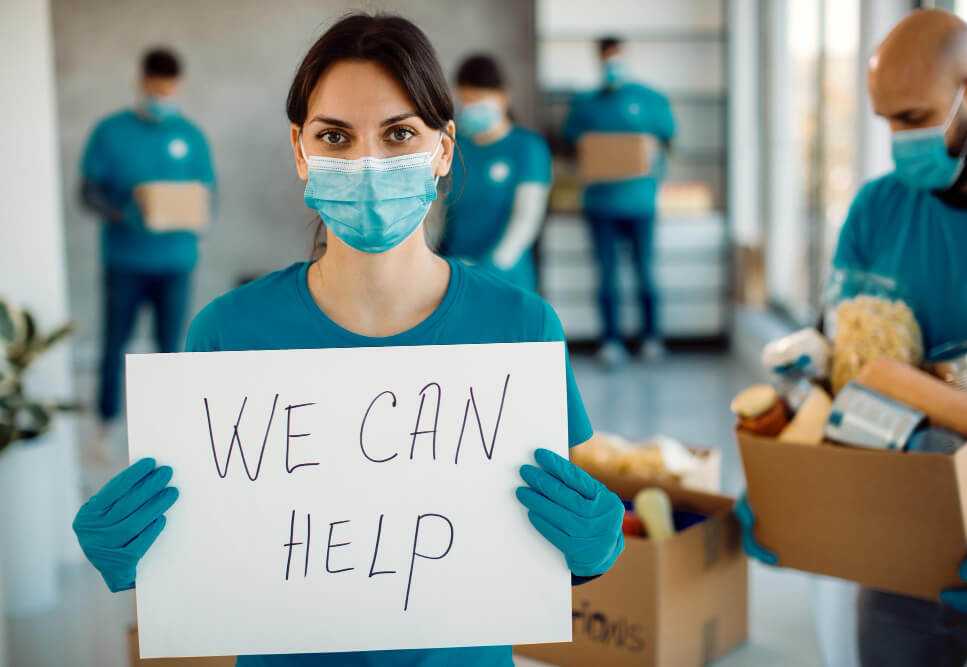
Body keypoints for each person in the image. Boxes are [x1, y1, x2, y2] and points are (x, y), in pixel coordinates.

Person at [72, 14, 624, 667]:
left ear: (444, 149)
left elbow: (550, 539)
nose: (367, 164)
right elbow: (212, 542)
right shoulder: (225, 332)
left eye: (399, 134)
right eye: (335, 136)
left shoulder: (523, 328)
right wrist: (144, 555)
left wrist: (591, 551)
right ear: (300, 150)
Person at [737, 9, 967, 666]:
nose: (895, 139)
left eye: (913, 118)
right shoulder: (877, 209)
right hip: (895, 535)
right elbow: (837, 366)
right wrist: (787, 476)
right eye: (884, 119)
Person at [80, 47, 215, 442]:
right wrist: (124, 212)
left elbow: (208, 196)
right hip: (125, 260)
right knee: (114, 344)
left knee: (170, 349)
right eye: (155, 87)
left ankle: (170, 429)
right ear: (143, 82)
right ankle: (105, 425)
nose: (161, 95)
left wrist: (192, 214)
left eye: (168, 89)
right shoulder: (110, 132)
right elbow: (88, 193)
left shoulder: (190, 136)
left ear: (177, 86)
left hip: (176, 261)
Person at [562, 37, 675, 366]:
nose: (613, 66)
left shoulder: (649, 99)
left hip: (641, 203)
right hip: (601, 205)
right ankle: (611, 340)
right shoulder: (586, 104)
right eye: (607, 59)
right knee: (607, 275)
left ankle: (651, 337)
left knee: (645, 272)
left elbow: (669, 139)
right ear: (599, 61)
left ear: (626, 57)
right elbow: (571, 143)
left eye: (617, 59)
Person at [439, 54, 553, 292]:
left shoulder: (528, 147)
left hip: (507, 278)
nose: (471, 108)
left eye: (479, 100)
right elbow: (438, 212)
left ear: (503, 97)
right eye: (466, 101)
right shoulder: (454, 146)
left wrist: (489, 268)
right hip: (455, 276)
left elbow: (526, 220)